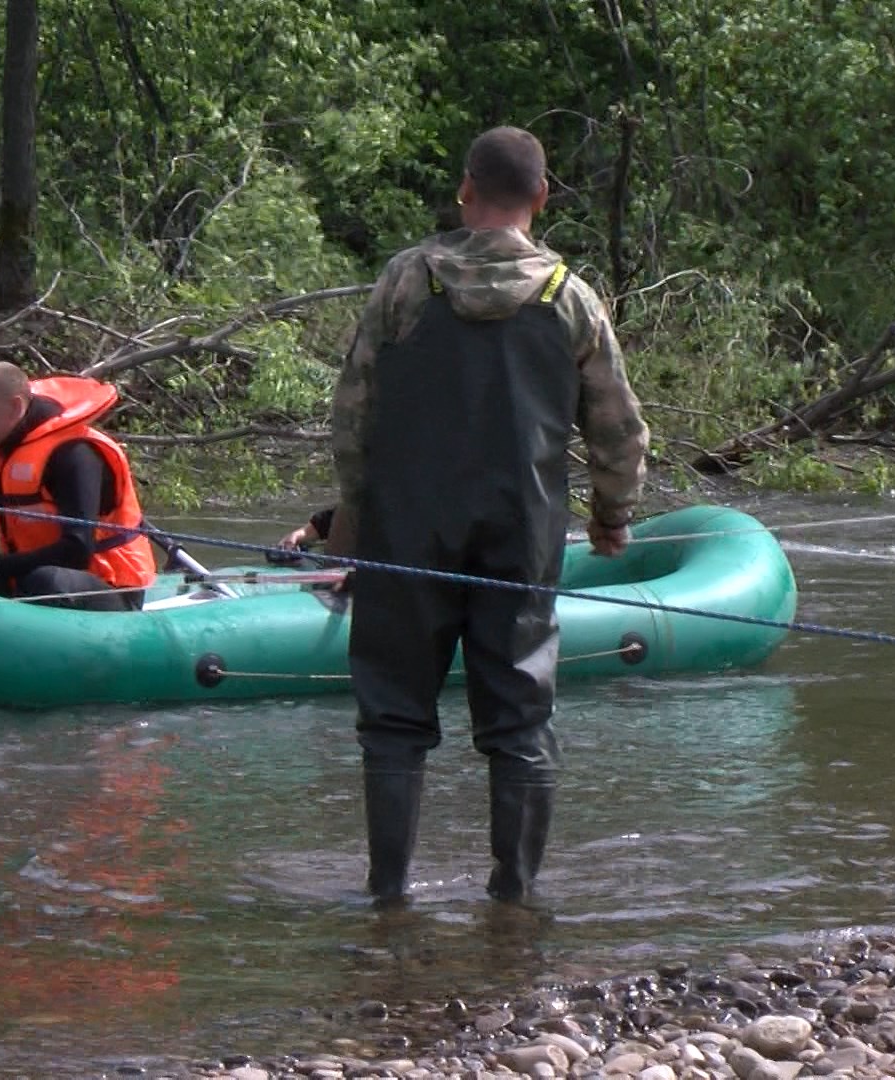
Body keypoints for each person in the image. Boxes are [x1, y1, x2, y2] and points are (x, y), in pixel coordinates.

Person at [324, 126, 649, 907]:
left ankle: (388, 896)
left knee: (395, 721)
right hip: (521, 532)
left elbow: (353, 412)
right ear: (541, 198)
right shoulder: (569, 297)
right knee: (519, 721)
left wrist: (352, 523)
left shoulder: (406, 280)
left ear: (465, 189)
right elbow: (617, 428)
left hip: (406, 534)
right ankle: (514, 898)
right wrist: (613, 515)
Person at [0, 362, 158, 611]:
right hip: (26, 572)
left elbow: (77, 551)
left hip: (109, 587)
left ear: (15, 406)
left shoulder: (73, 455)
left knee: (44, 580)